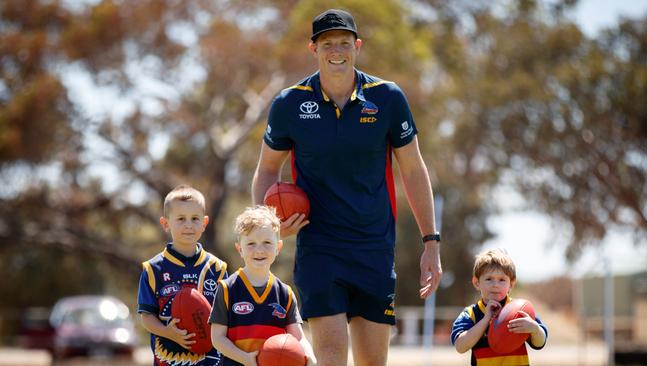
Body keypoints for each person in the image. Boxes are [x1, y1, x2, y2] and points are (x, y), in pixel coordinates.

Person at [251, 8, 442, 366]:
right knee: (332, 356)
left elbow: (414, 170)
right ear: (313, 49)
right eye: (327, 44)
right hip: (319, 248)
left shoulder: (387, 98)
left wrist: (431, 241)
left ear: (357, 46)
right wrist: (269, 226)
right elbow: (266, 170)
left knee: (372, 362)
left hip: (374, 247)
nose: (336, 50)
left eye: (343, 43)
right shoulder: (289, 103)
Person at [209, 205, 316, 366]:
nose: (259, 250)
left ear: (278, 247)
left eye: (267, 242)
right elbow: (217, 338)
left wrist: (309, 355)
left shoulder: (285, 293)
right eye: (251, 243)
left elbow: (299, 338)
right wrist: (245, 359)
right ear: (240, 249)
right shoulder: (227, 289)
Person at [137, 184, 228, 366]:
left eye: (195, 218)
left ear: (204, 223)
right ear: (165, 223)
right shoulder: (153, 269)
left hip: (211, 361)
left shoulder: (217, 268)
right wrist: (168, 332)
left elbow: (227, 318)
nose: (188, 225)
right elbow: (146, 317)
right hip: (170, 360)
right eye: (181, 219)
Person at [450, 248, 548, 365]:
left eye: (502, 280)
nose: (495, 285)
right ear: (477, 283)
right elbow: (460, 346)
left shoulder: (519, 310)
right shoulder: (471, 313)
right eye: (489, 279)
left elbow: (540, 343)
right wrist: (486, 319)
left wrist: (535, 329)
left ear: (511, 285)